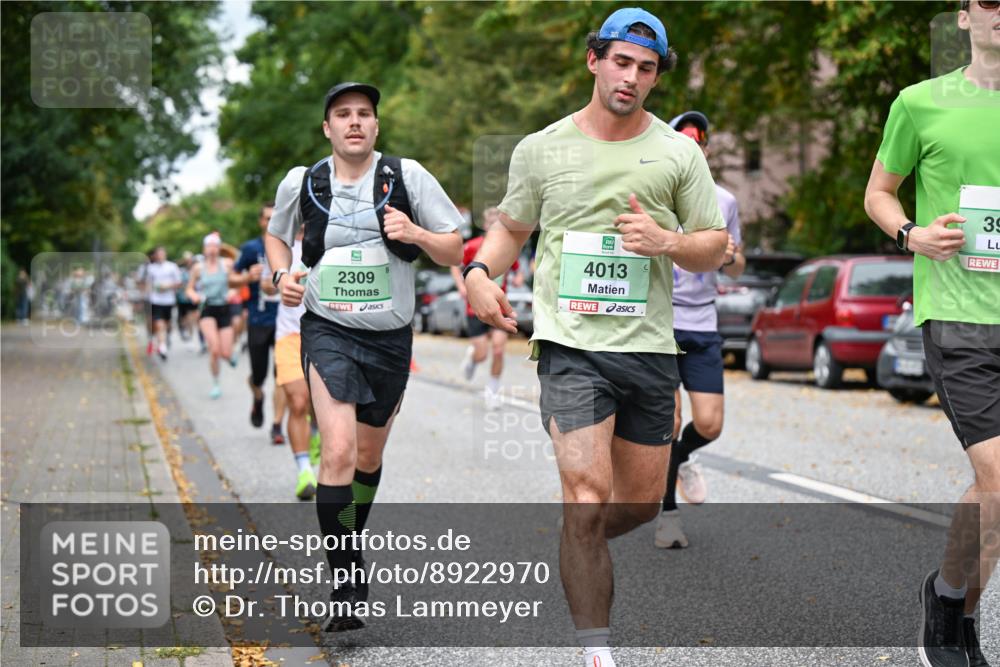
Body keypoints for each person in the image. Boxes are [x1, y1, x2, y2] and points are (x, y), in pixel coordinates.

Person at [463, 9, 727, 666]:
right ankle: (595, 650)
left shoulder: (677, 152)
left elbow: (714, 245)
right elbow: (511, 231)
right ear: (594, 60)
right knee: (584, 491)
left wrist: (668, 241)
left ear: (655, 76)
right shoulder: (541, 148)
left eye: (645, 68)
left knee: (634, 505)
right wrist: (476, 272)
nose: (631, 77)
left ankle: (576, 540)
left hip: (648, 350)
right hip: (570, 347)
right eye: (620, 61)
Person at [266, 81, 463, 631]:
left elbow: (454, 246)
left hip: (390, 337)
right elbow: (276, 238)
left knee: (368, 459)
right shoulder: (302, 182)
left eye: (364, 114)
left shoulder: (407, 176)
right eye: (343, 115)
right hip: (327, 329)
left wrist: (417, 232)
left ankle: (349, 540)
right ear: (327, 128)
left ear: (376, 126)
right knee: (339, 452)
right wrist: (281, 275)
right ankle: (346, 576)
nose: (354, 122)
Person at [864, 2, 999, 665]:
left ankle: (958, 615)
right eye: (993, 2)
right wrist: (911, 234)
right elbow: (879, 192)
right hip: (959, 314)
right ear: (967, 15)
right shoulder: (921, 103)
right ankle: (948, 600)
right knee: (999, 477)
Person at [654, 110, 745, 549]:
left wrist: (728, 255)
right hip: (660, 322)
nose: (693, 148)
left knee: (709, 424)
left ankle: (683, 458)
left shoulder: (724, 201)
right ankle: (667, 515)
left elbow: (738, 261)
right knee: (668, 420)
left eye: (699, 142)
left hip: (702, 322)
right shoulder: (655, 196)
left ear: (706, 150)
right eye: (684, 141)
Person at [262, 226, 320, 498]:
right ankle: (305, 470)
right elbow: (266, 283)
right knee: (298, 402)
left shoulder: (330, 238)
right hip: (289, 335)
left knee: (320, 405)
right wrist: (279, 281)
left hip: (328, 333)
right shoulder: (279, 246)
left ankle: (317, 430)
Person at [450, 206, 524, 409]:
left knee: (499, 350)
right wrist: (461, 286)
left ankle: (492, 391)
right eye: (491, 223)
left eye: (498, 223)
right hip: (476, 308)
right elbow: (455, 265)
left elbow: (518, 271)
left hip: (500, 307)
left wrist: (518, 278)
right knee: (482, 353)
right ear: (485, 225)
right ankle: (474, 358)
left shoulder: (508, 248)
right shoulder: (474, 246)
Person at [232, 203, 288, 442]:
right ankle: (257, 396)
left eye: (275, 217)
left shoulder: (289, 247)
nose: (271, 222)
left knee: (282, 375)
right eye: (267, 218)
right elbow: (231, 279)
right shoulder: (250, 248)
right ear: (261, 222)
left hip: (285, 321)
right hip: (258, 320)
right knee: (258, 376)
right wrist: (247, 277)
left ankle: (276, 426)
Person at [186, 233, 236, 399]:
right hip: (207, 308)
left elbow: (238, 282)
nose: (212, 250)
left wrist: (232, 292)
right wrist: (194, 296)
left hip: (224, 308)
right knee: (214, 350)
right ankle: (216, 384)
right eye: (209, 246)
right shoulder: (198, 268)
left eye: (215, 246)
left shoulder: (227, 264)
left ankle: (229, 355)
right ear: (204, 249)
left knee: (226, 353)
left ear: (219, 248)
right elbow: (189, 288)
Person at [143, 246, 182, 361]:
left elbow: (179, 282)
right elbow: (148, 284)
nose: (160, 255)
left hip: (169, 300)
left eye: (162, 253)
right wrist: (146, 296)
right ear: (155, 255)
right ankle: (162, 347)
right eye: (158, 253)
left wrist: (167, 286)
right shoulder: (151, 268)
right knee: (159, 324)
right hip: (155, 300)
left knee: (167, 324)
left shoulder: (172, 267)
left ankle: (165, 338)